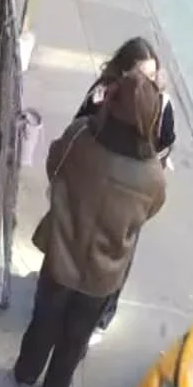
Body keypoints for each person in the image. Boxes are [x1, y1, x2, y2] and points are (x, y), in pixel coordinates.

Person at [14, 70, 167, 387]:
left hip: (61, 255)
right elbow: (149, 213)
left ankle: (26, 372)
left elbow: (54, 167)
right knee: (76, 338)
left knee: (44, 320)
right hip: (105, 272)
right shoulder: (153, 175)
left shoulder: (80, 138)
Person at [77, 37, 175, 344]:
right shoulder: (102, 95)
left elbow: (166, 144)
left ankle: (101, 318)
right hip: (95, 188)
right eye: (138, 75)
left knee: (118, 257)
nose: (144, 83)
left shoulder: (161, 106)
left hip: (129, 198)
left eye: (150, 75)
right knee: (79, 244)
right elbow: (78, 128)